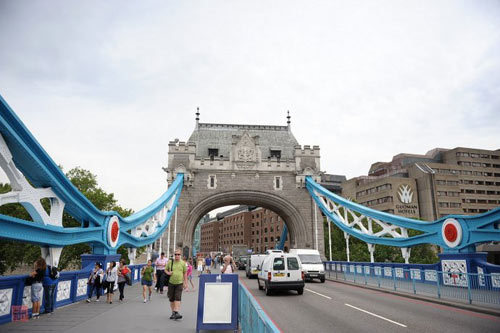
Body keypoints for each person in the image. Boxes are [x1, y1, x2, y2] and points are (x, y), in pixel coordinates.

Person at [165, 249, 187, 320]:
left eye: (178, 254)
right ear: (174, 255)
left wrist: (185, 283)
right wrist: (168, 273)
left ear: (180, 255)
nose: (177, 256)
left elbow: (185, 273)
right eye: (175, 254)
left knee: (177, 297)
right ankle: (173, 313)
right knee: (171, 299)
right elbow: (165, 269)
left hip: (179, 283)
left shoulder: (183, 263)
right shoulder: (170, 262)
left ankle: (176, 312)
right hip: (171, 282)